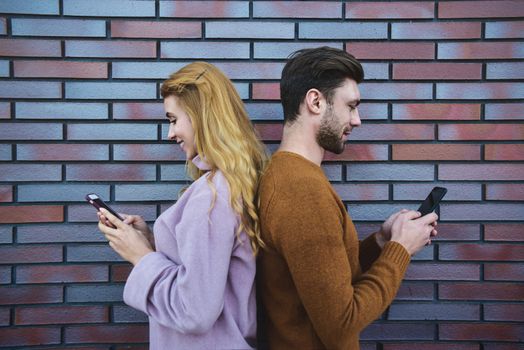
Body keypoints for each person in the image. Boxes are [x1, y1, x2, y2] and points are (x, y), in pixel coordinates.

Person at [256, 46, 439, 350]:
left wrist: (381, 242)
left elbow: (324, 278)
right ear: (315, 101)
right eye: (351, 106)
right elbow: (342, 323)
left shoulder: (290, 175)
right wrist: (400, 249)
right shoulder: (302, 191)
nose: (357, 121)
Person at [97, 61, 267, 349]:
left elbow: (194, 311)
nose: (170, 134)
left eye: (173, 119)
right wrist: (152, 242)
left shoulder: (211, 196)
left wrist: (141, 257)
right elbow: (210, 273)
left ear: (201, 116)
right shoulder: (231, 184)